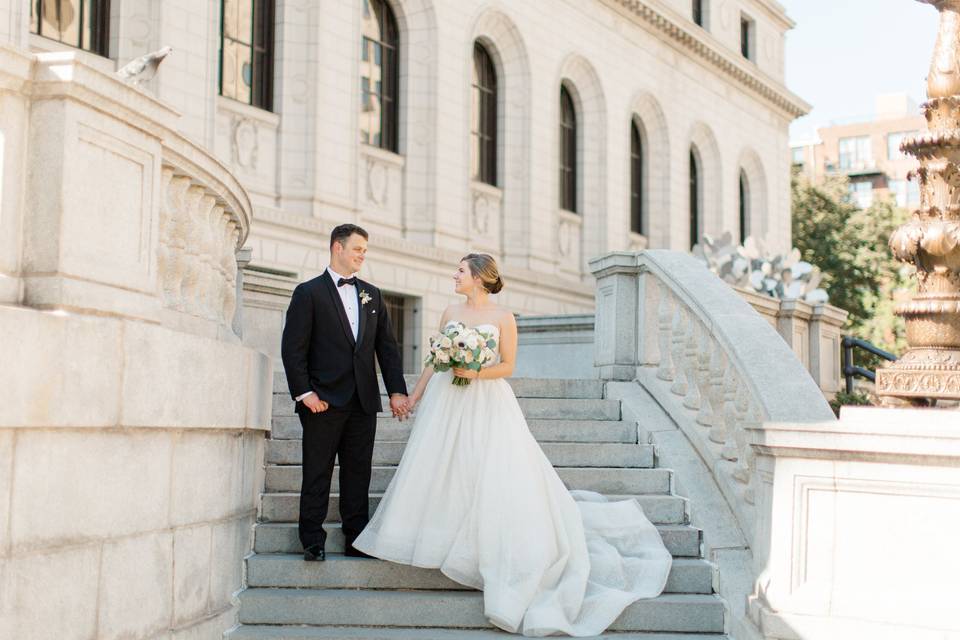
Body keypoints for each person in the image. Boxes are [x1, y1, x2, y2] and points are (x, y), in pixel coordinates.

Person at [353, 253, 672, 636]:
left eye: (460, 271)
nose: (454, 276)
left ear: (479, 277)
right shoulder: (449, 310)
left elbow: (507, 365)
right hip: (446, 398)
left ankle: (480, 543)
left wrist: (474, 370)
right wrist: (414, 397)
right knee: (443, 465)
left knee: (488, 467)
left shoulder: (504, 317)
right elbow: (434, 361)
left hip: (486, 398)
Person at [281, 223, 409, 562]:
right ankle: (312, 539)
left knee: (358, 473)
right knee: (317, 471)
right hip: (321, 401)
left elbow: (388, 349)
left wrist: (396, 391)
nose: (362, 255)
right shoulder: (308, 293)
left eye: (365, 250)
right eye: (358, 249)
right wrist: (304, 393)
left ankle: (356, 538)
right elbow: (293, 349)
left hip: (363, 402)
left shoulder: (373, 294)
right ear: (337, 247)